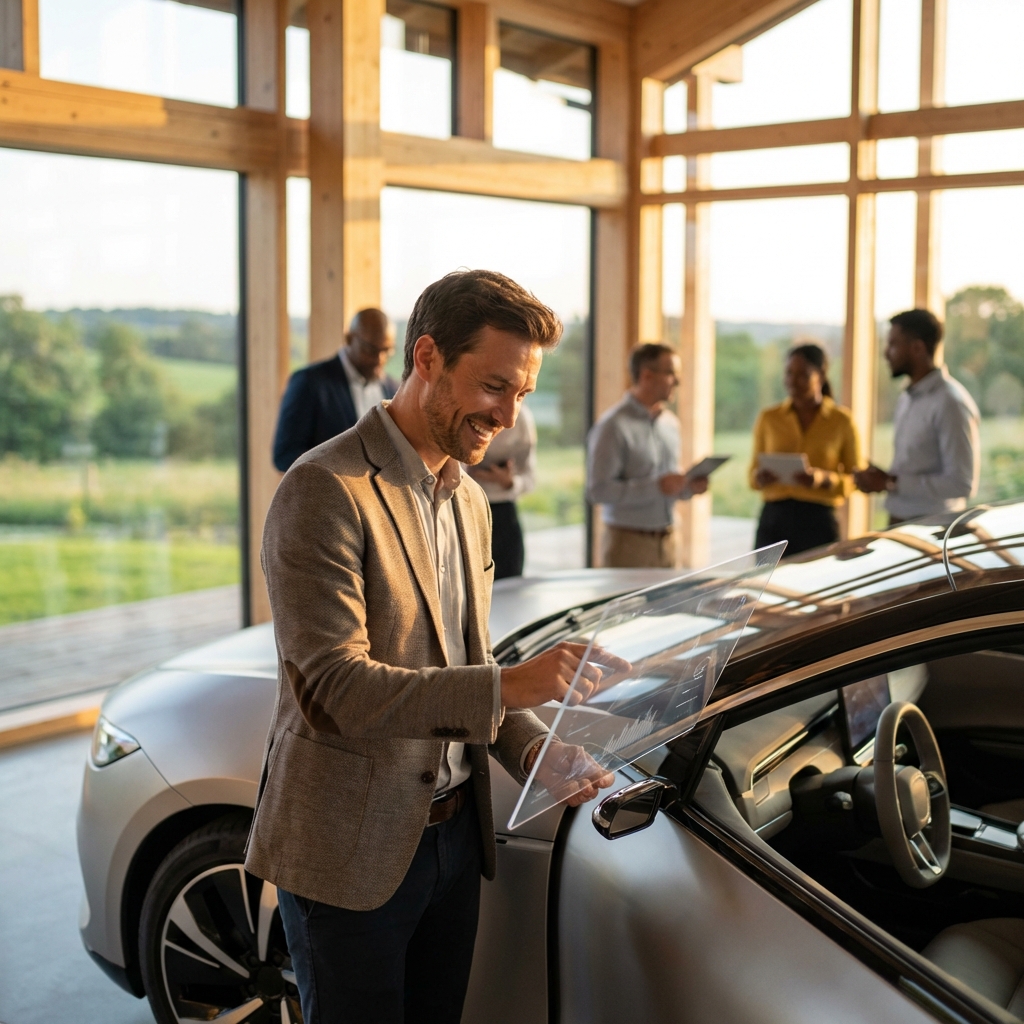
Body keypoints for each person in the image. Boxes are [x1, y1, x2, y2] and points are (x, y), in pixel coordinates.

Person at [246, 270, 620, 1024]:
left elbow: (461, 672)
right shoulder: (324, 488)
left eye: (522, 394)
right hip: (348, 856)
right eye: (494, 386)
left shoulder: (472, 502)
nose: (509, 416)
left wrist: (540, 754)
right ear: (427, 358)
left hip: (453, 847)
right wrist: (514, 686)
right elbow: (332, 689)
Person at [586, 342, 709, 569]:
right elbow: (598, 491)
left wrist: (687, 488)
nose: (679, 381)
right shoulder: (612, 426)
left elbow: (666, 487)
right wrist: (657, 487)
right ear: (647, 376)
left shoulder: (671, 424)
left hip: (669, 542)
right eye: (671, 372)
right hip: (629, 546)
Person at [854, 309, 980, 525]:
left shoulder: (950, 403)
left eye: (893, 344)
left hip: (932, 531)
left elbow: (963, 483)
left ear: (918, 348)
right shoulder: (907, 397)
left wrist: (892, 482)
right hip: (899, 522)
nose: (886, 354)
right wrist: (882, 479)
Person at [750, 343, 861, 557]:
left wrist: (821, 479)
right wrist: (760, 478)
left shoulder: (842, 421)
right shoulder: (769, 418)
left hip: (818, 521)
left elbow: (855, 479)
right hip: (774, 519)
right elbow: (751, 475)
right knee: (768, 586)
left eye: (802, 375)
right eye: (789, 373)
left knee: (817, 586)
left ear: (820, 374)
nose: (793, 381)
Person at [272, 307, 399, 471]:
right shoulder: (309, 383)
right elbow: (284, 455)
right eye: (370, 350)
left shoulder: (392, 389)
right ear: (349, 339)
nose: (379, 359)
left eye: (386, 351)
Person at [465, 400, 536, 579]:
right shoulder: (465, 412)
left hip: (504, 512)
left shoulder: (521, 419)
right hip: (467, 511)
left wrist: (508, 482)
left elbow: (530, 479)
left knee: (510, 584)